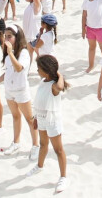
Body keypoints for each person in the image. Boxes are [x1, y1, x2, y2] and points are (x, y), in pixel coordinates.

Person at [28, 55, 70, 193]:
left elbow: (60, 86)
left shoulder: (54, 85)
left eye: (39, 68)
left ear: (46, 70)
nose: (37, 70)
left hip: (52, 120)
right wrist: (36, 118)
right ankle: (39, 166)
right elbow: (39, 100)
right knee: (43, 144)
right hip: (41, 118)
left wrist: (58, 73)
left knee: (58, 149)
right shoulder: (43, 81)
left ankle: (63, 177)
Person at [0, 24, 38, 159]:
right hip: (9, 90)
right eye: (5, 36)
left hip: (21, 90)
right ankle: (16, 142)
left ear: (17, 37)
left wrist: (9, 53)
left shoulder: (24, 53)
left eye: (10, 36)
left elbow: (19, 68)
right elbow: (7, 72)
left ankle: (36, 145)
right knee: (15, 116)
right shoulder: (8, 54)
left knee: (30, 119)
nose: (6, 39)